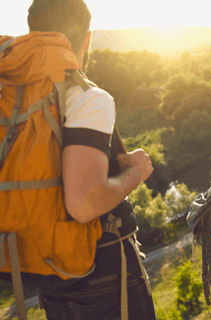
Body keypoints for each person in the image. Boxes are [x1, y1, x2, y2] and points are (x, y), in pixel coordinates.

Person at [1, 1, 156, 319]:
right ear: (86, 39)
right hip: (101, 268)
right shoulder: (87, 97)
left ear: (34, 33)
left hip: (43, 267)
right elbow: (84, 204)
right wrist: (134, 174)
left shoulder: (11, 98)